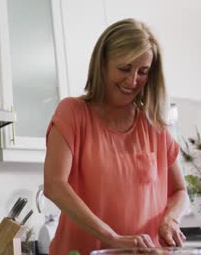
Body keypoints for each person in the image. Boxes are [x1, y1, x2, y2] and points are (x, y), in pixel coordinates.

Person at [43, 18, 189, 254]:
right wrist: (112, 238)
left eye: (143, 72)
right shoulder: (73, 113)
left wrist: (170, 219)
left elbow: (179, 191)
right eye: (124, 68)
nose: (133, 81)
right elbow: (54, 185)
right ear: (102, 64)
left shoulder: (154, 126)